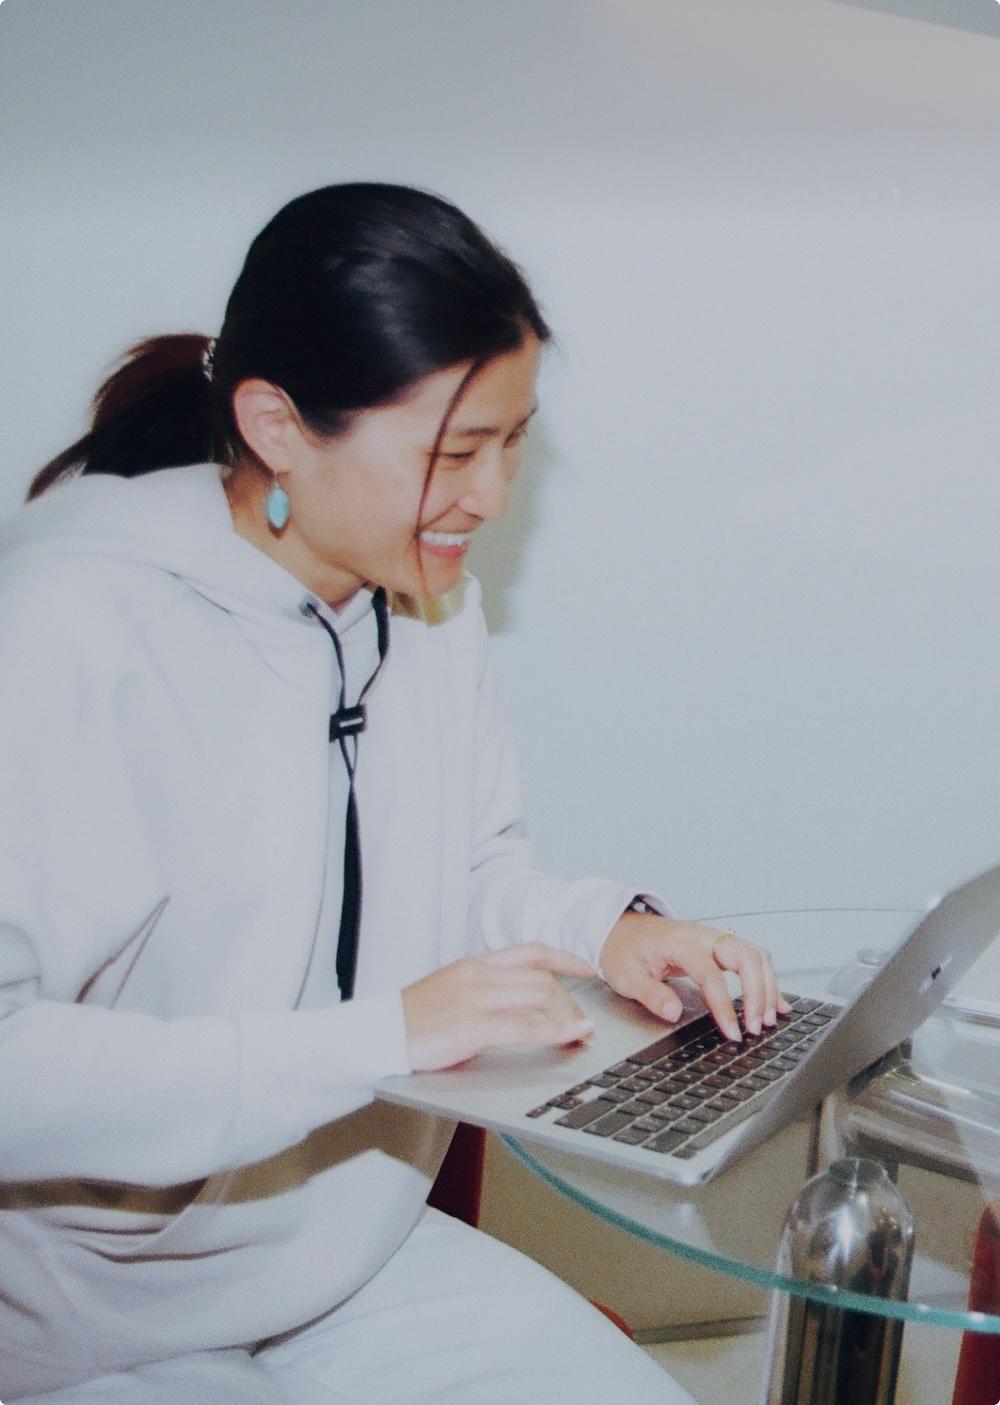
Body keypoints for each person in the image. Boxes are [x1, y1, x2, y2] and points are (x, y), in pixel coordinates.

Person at [0, 183, 786, 1404]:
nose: (490, 497)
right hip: (92, 1321)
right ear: (274, 424)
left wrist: (607, 930)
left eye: (514, 442)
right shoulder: (66, 626)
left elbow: (464, 867)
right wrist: (386, 1034)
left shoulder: (426, 602)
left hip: (351, 1255)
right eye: (452, 453)